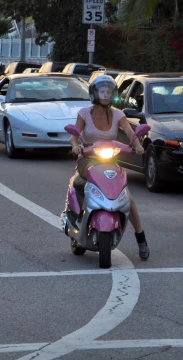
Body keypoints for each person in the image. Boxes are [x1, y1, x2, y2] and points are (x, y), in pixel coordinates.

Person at [68, 74, 150, 260]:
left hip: (110, 161)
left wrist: (136, 145)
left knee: (127, 198)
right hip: (87, 160)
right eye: (102, 91)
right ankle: (80, 217)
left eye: (108, 91)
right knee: (84, 183)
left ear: (113, 94)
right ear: (94, 93)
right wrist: (75, 145)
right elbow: (74, 134)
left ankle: (141, 238)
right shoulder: (84, 113)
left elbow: (130, 132)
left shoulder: (118, 114)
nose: (105, 94)